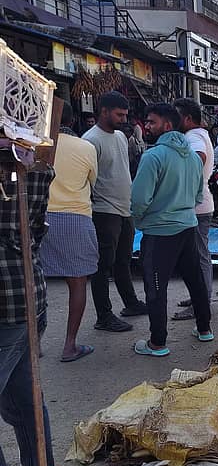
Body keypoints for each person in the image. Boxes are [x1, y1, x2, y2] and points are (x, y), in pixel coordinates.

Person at [0, 163, 59, 466]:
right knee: (23, 402)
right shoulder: (35, 158)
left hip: (7, 300)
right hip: (24, 293)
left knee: (24, 402)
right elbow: (34, 229)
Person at [131, 103, 212, 357]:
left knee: (156, 288)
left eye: (152, 122)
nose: (147, 126)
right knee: (195, 280)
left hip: (160, 231)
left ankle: (157, 342)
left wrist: (140, 221)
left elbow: (139, 199)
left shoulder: (153, 156)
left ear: (167, 125)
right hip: (188, 225)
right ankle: (204, 329)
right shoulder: (190, 155)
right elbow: (199, 194)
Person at [82, 91, 147, 333]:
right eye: (119, 114)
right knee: (103, 266)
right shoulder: (90, 140)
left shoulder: (120, 136)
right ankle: (104, 316)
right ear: (104, 111)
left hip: (123, 209)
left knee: (123, 261)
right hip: (103, 211)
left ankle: (130, 303)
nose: (123, 119)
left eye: (125, 115)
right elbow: (87, 180)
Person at [40, 102, 98, 362]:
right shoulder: (86, 147)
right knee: (77, 283)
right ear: (73, 121)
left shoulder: (35, 145)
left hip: (37, 216)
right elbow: (91, 181)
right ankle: (69, 345)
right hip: (75, 217)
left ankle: (34, 343)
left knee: (34, 284)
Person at [172, 98, 215, 322]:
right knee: (196, 257)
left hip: (197, 207)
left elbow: (199, 157)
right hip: (198, 205)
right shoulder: (198, 135)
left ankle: (201, 303)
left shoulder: (193, 136)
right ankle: (198, 297)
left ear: (187, 119)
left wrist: (183, 182)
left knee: (198, 258)